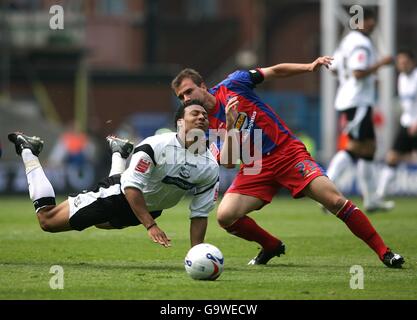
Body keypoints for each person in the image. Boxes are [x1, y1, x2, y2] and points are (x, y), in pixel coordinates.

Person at [171, 59, 404, 268]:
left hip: (288, 154)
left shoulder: (233, 84)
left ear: (202, 86)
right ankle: (271, 246)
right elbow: (229, 163)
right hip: (255, 167)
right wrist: (231, 128)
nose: (187, 99)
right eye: (181, 97)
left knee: (335, 201)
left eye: (189, 91)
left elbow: (274, 71)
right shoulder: (202, 126)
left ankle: (384, 252)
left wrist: (309, 66)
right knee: (225, 216)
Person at [7, 100, 219, 248]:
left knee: (100, 223)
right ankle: (28, 150)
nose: (201, 117)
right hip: (118, 194)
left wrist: (196, 251)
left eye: (204, 115)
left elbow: (200, 214)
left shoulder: (209, 165)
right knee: (48, 221)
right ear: (180, 122)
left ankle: (119, 152)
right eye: (195, 113)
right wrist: (151, 226)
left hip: (149, 208)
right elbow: (131, 188)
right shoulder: (155, 146)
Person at [326, 7, 394, 212]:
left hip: (353, 100)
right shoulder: (361, 43)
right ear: (364, 21)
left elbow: (334, 68)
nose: (374, 24)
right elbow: (358, 72)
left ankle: (371, 198)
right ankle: (324, 191)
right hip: (357, 101)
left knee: (369, 147)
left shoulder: (347, 41)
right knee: (356, 147)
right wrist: (381, 63)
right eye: (372, 20)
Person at [377, 49, 417, 201]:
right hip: (407, 124)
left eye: (405, 62)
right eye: (400, 63)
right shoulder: (401, 78)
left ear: (412, 62)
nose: (402, 65)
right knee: (392, 157)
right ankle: (380, 194)